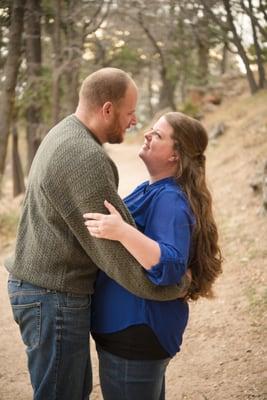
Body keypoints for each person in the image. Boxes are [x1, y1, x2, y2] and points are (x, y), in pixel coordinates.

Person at [5, 69, 190, 400]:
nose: (135, 121)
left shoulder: (66, 132)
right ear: (107, 109)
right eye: (130, 112)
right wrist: (173, 288)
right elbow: (111, 250)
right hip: (53, 295)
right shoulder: (84, 157)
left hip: (47, 292)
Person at [84, 111, 223, 400]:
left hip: (137, 332)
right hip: (131, 330)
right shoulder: (151, 189)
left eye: (158, 135)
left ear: (175, 155)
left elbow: (171, 265)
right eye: (151, 130)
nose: (147, 135)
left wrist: (122, 232)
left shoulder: (170, 198)